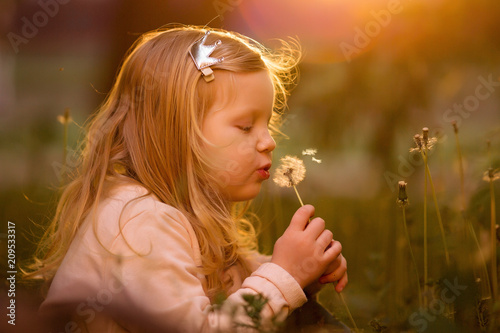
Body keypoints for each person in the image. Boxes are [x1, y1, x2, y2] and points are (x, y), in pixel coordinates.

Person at [24, 25, 348, 332]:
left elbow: (235, 293)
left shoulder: (182, 218)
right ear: (177, 134)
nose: (269, 141)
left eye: (268, 122)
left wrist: (302, 273)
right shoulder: (139, 223)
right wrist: (283, 275)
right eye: (246, 126)